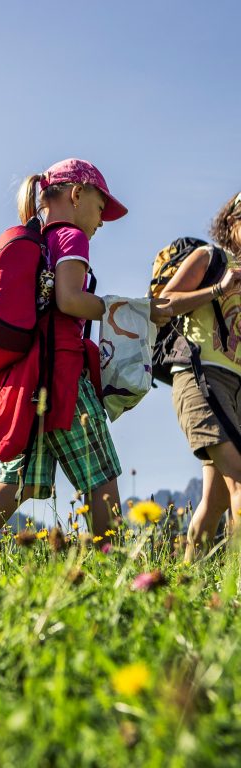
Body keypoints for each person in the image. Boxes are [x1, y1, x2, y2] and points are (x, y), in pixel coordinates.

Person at [0, 158, 171, 550]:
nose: (101, 221)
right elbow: (70, 301)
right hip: (64, 377)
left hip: (29, 380)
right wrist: (125, 308)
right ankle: (112, 566)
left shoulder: (39, 238)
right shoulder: (70, 237)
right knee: (101, 478)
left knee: (16, 482)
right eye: (101, 208)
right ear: (76, 193)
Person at [159, 192, 241, 561]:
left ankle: (186, 581)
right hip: (201, 377)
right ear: (232, 222)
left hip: (236, 389)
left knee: (215, 501)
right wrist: (219, 288)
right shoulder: (211, 257)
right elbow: (164, 302)